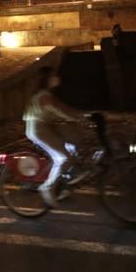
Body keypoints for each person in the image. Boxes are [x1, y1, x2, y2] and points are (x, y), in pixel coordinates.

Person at [24, 66, 83, 207]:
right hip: (39, 129)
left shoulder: (47, 94)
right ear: (47, 79)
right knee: (63, 157)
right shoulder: (44, 95)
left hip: (44, 128)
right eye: (54, 76)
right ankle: (48, 187)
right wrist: (73, 118)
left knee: (71, 147)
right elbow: (55, 109)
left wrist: (80, 115)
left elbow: (62, 107)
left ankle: (66, 180)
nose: (57, 78)